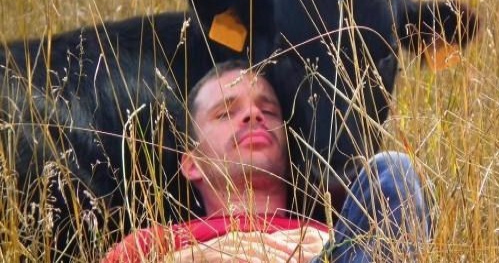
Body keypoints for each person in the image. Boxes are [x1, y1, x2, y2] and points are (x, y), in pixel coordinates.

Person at [103, 60, 433, 262]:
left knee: (394, 171)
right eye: (226, 113)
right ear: (192, 164)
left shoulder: (336, 238)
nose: (253, 114)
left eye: (269, 110)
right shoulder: (152, 244)